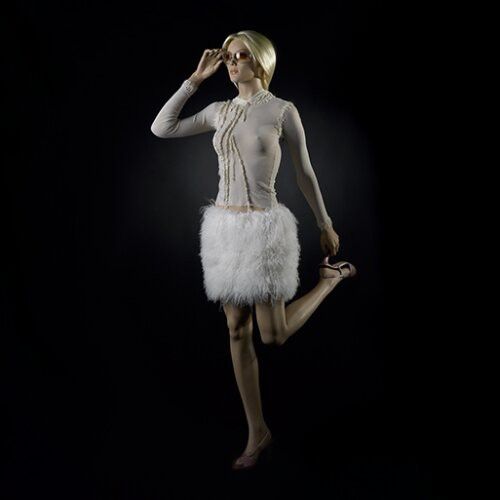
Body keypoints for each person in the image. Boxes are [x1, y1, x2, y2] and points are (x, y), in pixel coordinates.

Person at [150, 30, 357, 470]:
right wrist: (195, 79)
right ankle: (257, 431)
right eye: (228, 56)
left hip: (264, 227)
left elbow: (304, 172)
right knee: (236, 330)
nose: (232, 62)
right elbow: (161, 127)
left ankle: (328, 282)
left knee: (273, 335)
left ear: (260, 62)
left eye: (240, 55)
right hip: (225, 229)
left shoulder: (282, 111)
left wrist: (324, 223)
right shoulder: (219, 111)